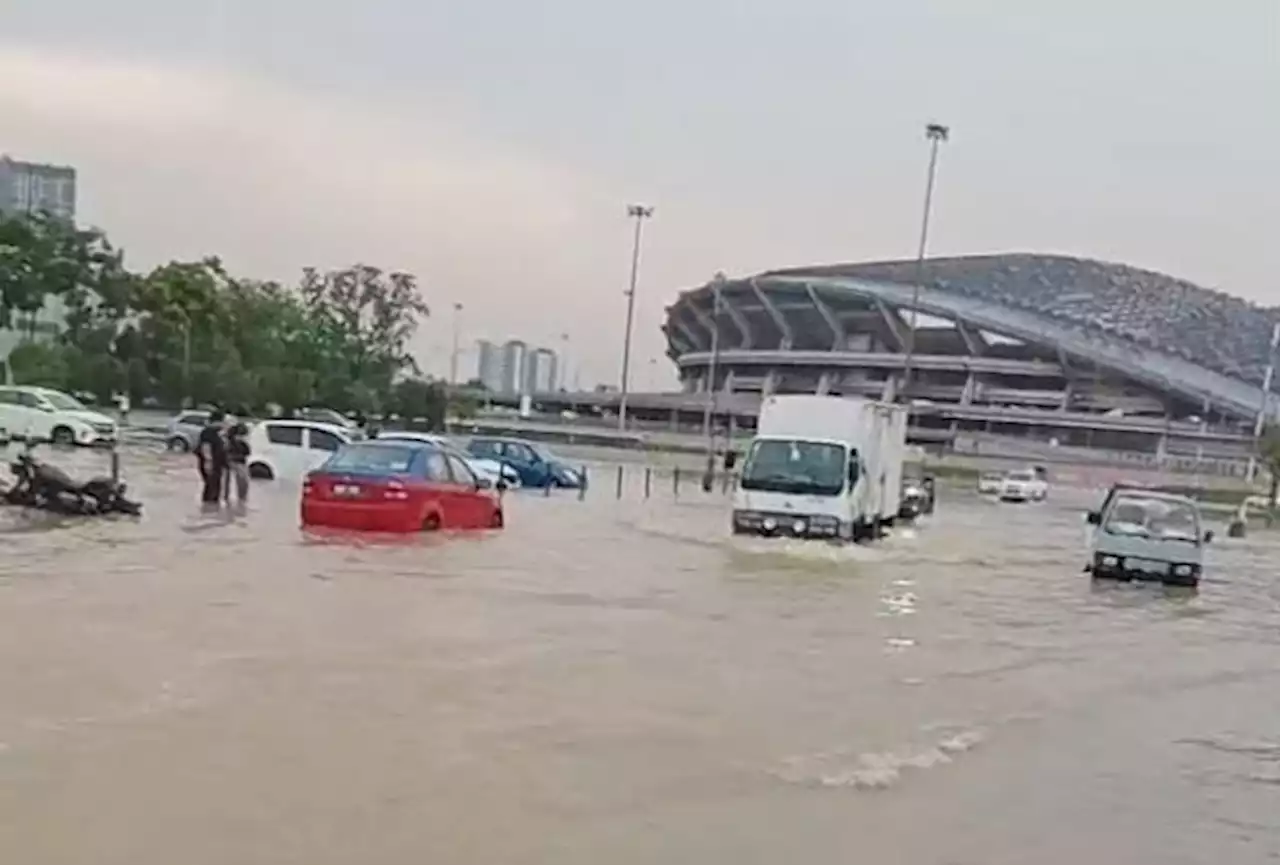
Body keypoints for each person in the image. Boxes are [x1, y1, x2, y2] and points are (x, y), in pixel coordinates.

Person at [196, 410, 228, 505]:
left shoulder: (218, 433)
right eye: (223, 421)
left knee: (214, 487)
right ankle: (208, 510)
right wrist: (208, 462)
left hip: (216, 464)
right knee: (211, 488)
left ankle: (211, 511)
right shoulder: (208, 432)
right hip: (210, 464)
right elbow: (206, 447)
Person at [224, 422, 251, 504]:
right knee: (239, 481)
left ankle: (241, 498)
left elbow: (247, 452)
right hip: (233, 462)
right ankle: (230, 498)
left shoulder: (242, 442)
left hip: (239, 462)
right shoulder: (229, 442)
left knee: (243, 481)